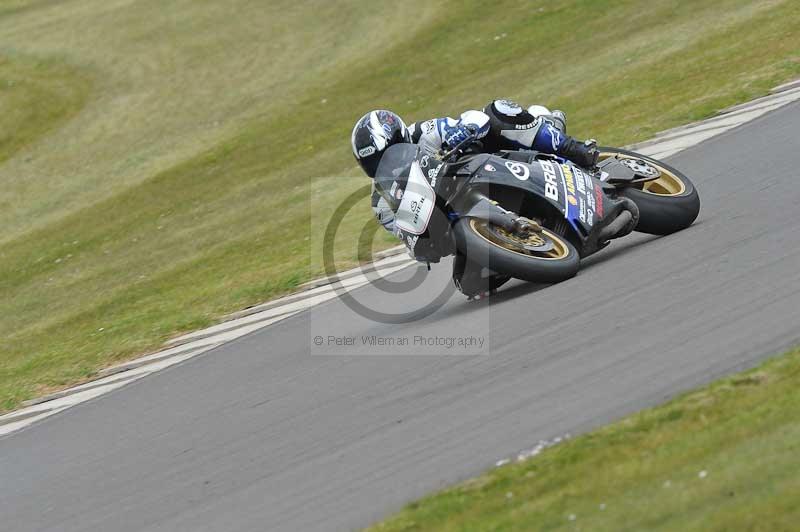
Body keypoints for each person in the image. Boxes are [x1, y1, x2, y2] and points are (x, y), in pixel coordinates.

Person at [350, 101, 599, 297]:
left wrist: (464, 130)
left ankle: (576, 150)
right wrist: (422, 246)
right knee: (470, 284)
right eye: (374, 164)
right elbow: (408, 236)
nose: (385, 165)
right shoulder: (380, 202)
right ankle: (526, 246)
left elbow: (474, 118)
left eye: (388, 153)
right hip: (453, 218)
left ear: (400, 137)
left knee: (498, 111)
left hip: (478, 169)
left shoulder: (422, 132)